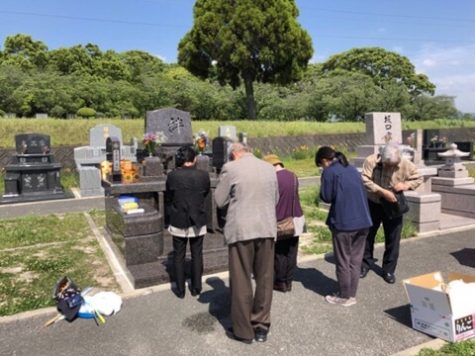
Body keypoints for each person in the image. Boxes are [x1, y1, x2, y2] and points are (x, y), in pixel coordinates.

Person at [215, 143, 279, 344]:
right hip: (267, 227)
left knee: (241, 279)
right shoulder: (269, 167)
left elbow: (219, 200)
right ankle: (261, 327)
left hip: (242, 229)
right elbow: (275, 198)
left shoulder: (231, 168)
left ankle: (243, 331)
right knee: (265, 278)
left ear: (234, 154)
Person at [315, 146, 373, 307]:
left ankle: (344, 296)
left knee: (343, 261)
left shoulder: (329, 172)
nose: (322, 167)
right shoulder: (352, 169)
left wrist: (324, 179)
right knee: (355, 261)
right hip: (363, 221)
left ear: (325, 160)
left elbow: (326, 197)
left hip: (344, 223)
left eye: (321, 164)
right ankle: (351, 294)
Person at [360, 143, 422, 284]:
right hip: (373, 203)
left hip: (393, 205)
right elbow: (364, 179)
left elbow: (418, 178)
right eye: (388, 165)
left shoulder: (406, 164)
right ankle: (365, 264)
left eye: (394, 165)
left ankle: (388, 270)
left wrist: (406, 185)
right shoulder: (371, 161)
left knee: (393, 238)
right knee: (368, 235)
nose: (391, 168)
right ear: (382, 158)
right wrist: (382, 191)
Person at [166, 146, 210, 298]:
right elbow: (205, 193)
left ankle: (180, 289)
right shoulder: (203, 175)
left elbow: (169, 196)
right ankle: (196, 287)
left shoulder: (172, 176)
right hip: (197, 218)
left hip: (179, 218)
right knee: (197, 253)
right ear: (195, 159)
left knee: (179, 255)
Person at [263, 154, 305, 293]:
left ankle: (280, 282)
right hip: (296, 218)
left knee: (280, 253)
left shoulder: (272, 179)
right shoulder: (293, 176)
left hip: (280, 220)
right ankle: (289, 281)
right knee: (292, 251)